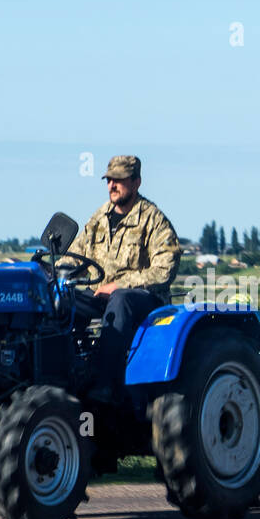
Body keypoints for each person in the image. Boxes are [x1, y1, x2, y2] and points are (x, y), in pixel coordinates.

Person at [63, 155, 181, 402]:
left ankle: (104, 382)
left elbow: (164, 270)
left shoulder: (152, 219)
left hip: (142, 300)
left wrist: (120, 285)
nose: (112, 186)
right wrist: (55, 273)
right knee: (62, 301)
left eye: (119, 180)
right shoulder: (100, 217)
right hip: (98, 295)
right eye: (108, 180)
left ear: (136, 182)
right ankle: (64, 375)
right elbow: (76, 256)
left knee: (120, 299)